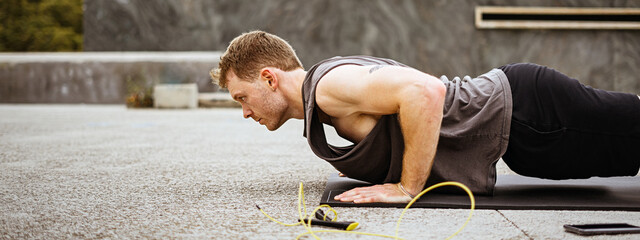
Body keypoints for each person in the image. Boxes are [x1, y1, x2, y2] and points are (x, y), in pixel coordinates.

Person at [210, 30, 640, 204]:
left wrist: (406, 187)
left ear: (269, 78)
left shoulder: (326, 87)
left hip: (528, 113)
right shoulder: (324, 91)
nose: (244, 112)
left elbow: (425, 91)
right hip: (519, 133)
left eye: (241, 97)